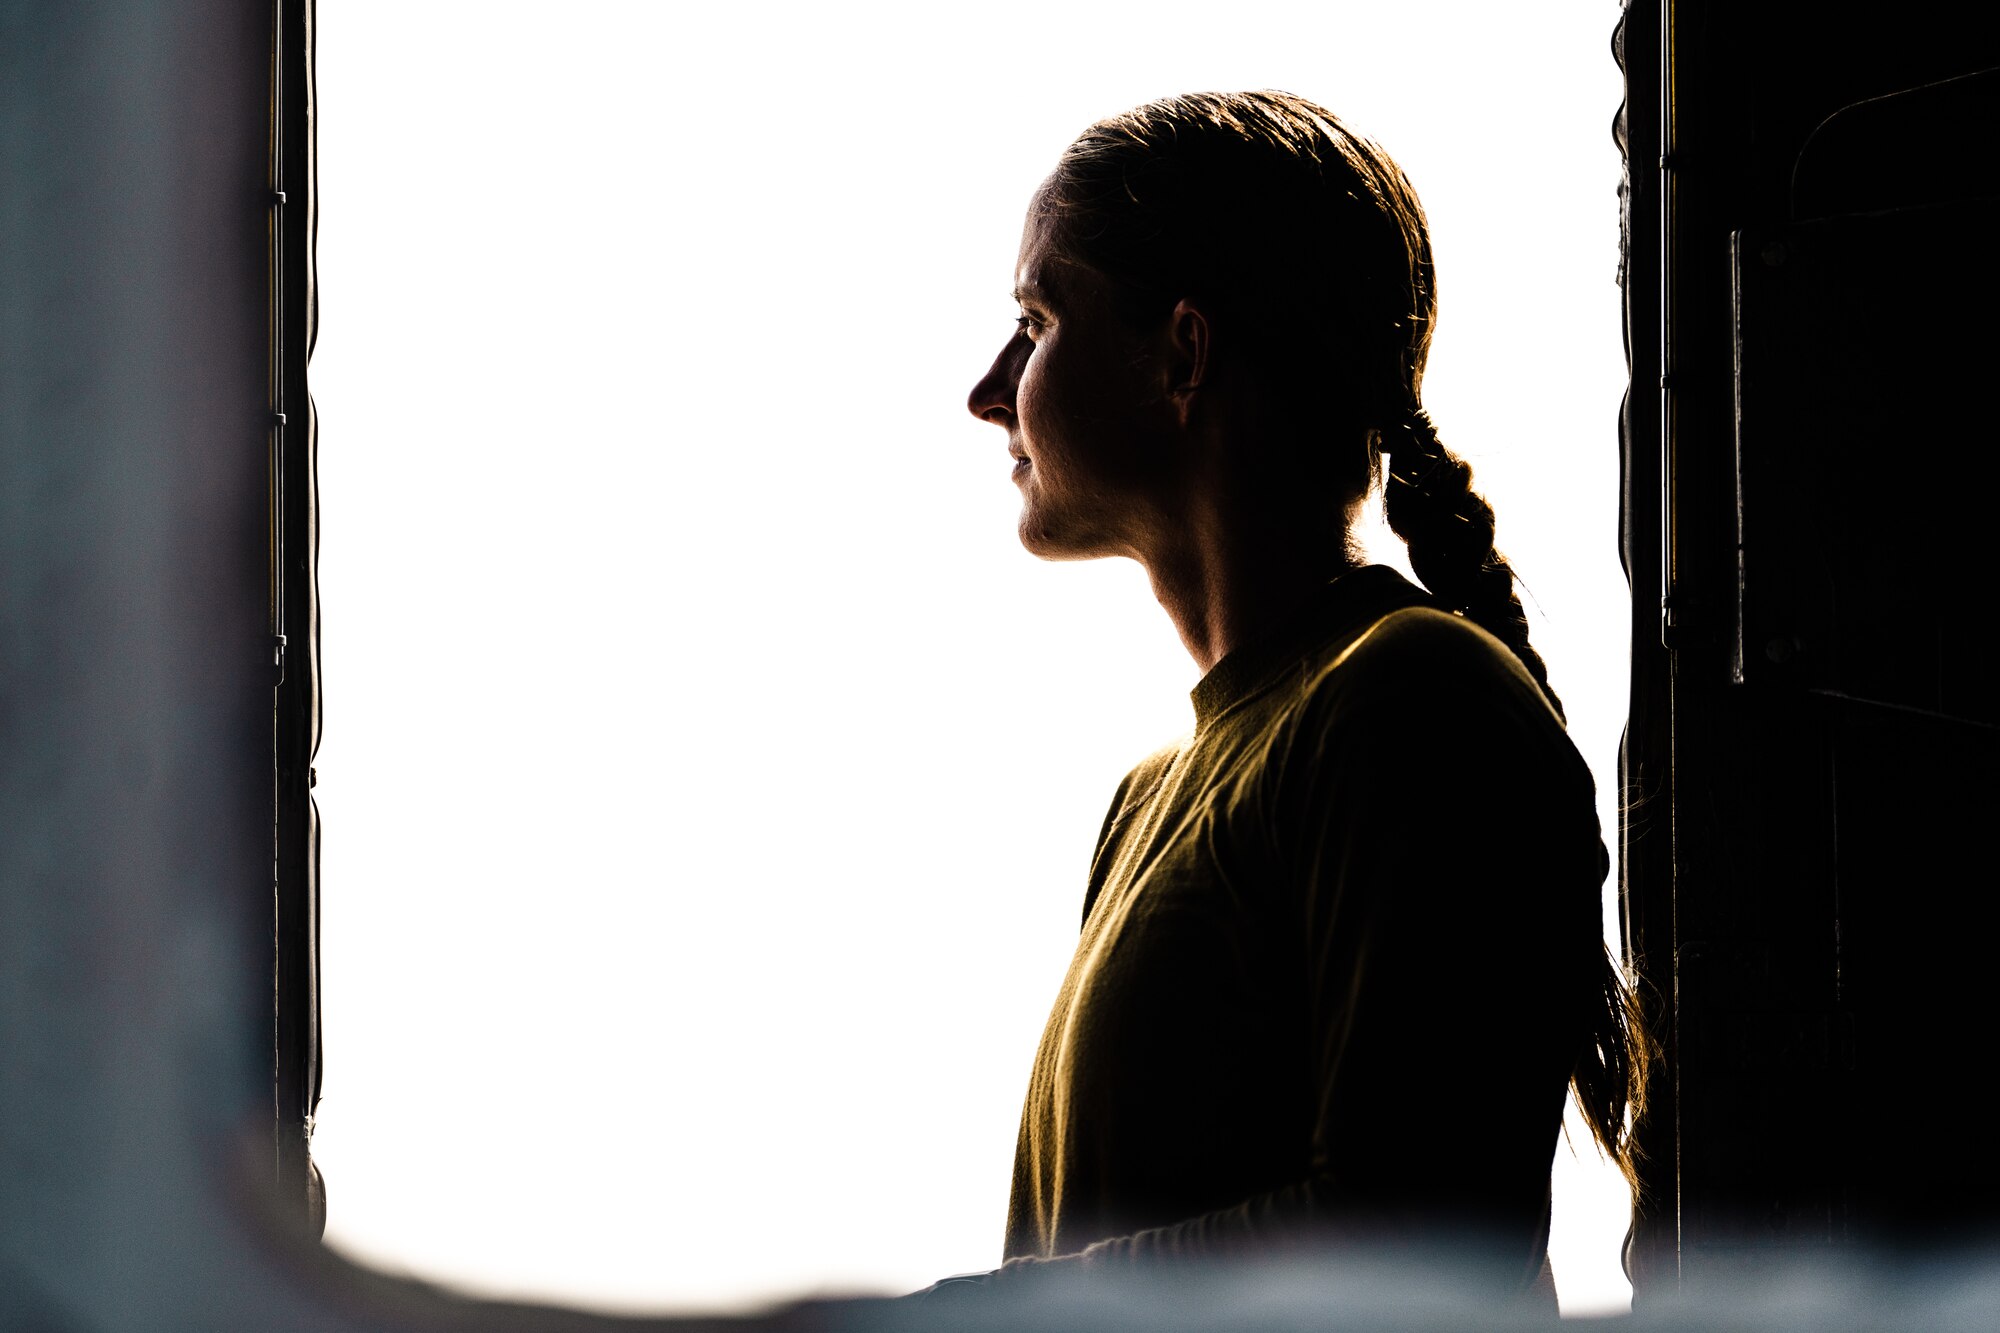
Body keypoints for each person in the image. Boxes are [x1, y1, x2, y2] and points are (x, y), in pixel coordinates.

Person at [943, 90, 1647, 1309]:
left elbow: (1416, 1237)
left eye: (1034, 319)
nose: (987, 389)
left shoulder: (1414, 706)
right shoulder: (1147, 798)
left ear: (1180, 353)